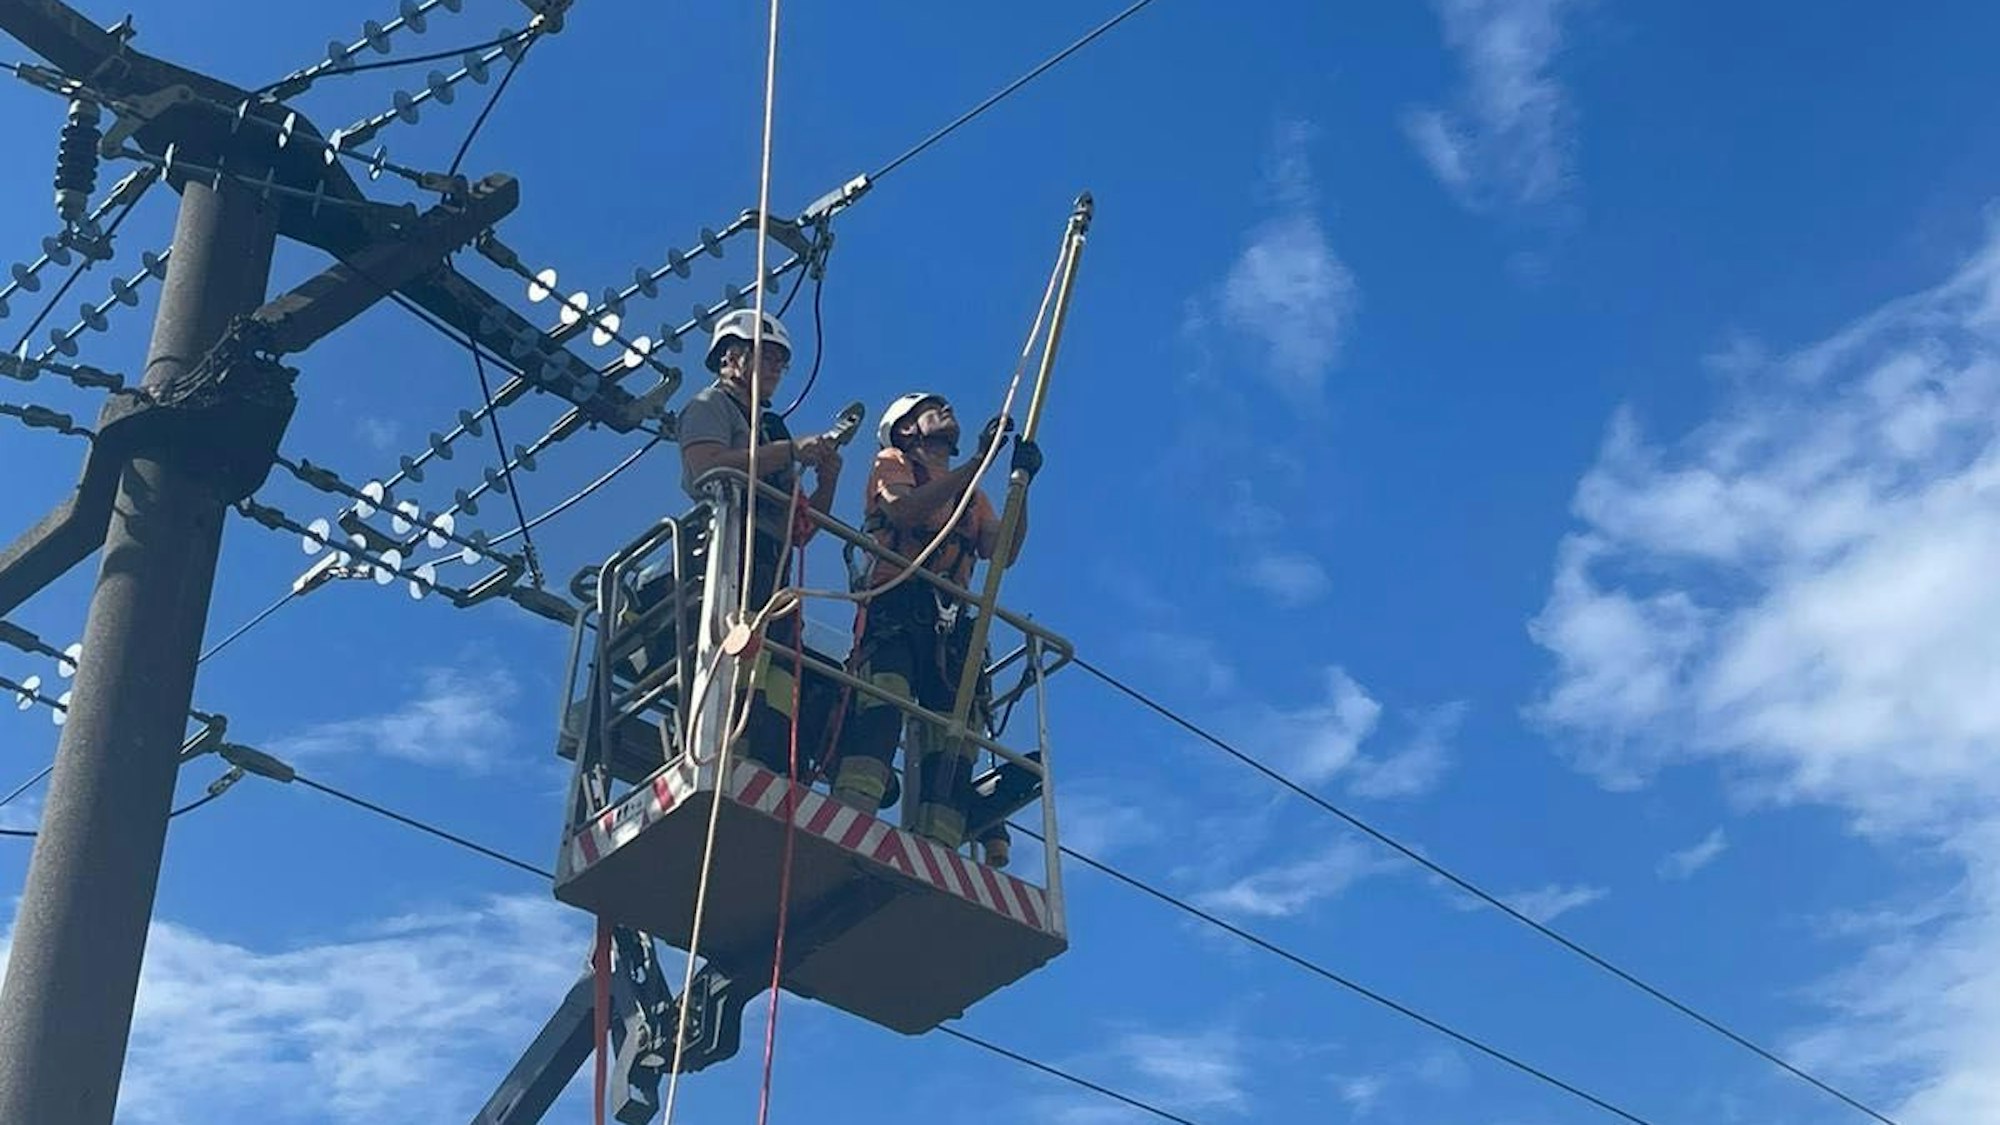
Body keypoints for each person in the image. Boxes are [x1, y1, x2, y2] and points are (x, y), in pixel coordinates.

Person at [829, 391, 1040, 866]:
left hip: (951, 627)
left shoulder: (974, 497)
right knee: (882, 710)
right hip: (897, 608)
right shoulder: (892, 463)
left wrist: (1020, 485)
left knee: (953, 742)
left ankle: (937, 846)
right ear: (906, 429)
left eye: (949, 407)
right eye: (933, 408)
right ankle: (851, 820)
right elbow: (904, 511)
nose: (948, 411)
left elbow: (1002, 551)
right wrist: (978, 464)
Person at [675, 308, 843, 775]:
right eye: (766, 357)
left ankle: (768, 760)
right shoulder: (710, 405)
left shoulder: (770, 429)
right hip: (728, 560)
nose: (775, 369)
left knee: (777, 678)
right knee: (738, 661)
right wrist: (788, 452)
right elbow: (706, 467)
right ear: (730, 357)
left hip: (771, 571)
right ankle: (729, 749)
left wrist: (827, 481)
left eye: (780, 362)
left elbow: (800, 530)